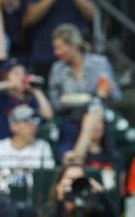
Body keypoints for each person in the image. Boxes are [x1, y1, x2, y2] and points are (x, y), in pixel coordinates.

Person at [47, 23, 119, 154]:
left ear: (73, 45)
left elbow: (117, 97)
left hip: (97, 121)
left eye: (59, 47)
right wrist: (62, 102)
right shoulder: (57, 69)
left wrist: (109, 92)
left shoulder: (100, 63)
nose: (56, 53)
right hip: (70, 121)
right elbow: (54, 103)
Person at [0, 105, 55, 216]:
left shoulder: (43, 147)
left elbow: (48, 183)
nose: (33, 125)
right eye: (27, 121)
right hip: (0, 203)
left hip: (32, 204)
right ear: (13, 126)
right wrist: (0, 177)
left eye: (35, 120)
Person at [0, 58, 55, 140]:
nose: (21, 77)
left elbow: (48, 115)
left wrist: (36, 90)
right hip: (5, 145)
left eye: (24, 73)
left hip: (30, 146)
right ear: (5, 77)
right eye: (16, 73)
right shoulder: (2, 97)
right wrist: (10, 84)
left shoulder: (31, 99)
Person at [47, 163, 118, 217]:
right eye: (71, 179)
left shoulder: (91, 209)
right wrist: (61, 198)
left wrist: (102, 193)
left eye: (79, 180)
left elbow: (111, 216)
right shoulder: (49, 208)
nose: (75, 183)